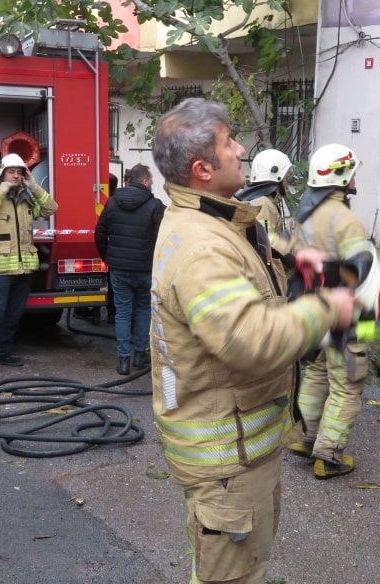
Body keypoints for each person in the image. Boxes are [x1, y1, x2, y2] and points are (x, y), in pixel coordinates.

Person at [149, 98, 356, 584]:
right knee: (231, 577)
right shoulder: (203, 247)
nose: (241, 149)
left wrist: (306, 264)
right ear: (202, 169)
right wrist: (331, 308)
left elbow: (259, 248)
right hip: (227, 462)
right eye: (229, 143)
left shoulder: (214, 219)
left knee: (243, 568)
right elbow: (250, 339)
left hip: (240, 451)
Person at [286, 143, 374, 479]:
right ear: (341, 176)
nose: (354, 178)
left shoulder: (303, 216)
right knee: (347, 383)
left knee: (318, 372)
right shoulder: (346, 219)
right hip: (342, 315)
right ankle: (329, 455)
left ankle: (306, 438)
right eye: (351, 172)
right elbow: (359, 274)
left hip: (313, 310)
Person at [0, 153, 58, 371]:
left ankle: (3, 353)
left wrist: (33, 184)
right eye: (11, 172)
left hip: (23, 270)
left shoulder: (26, 200)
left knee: (13, 316)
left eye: (19, 172)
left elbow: (51, 207)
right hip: (0, 271)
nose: (16, 176)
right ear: (2, 174)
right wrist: (2, 189)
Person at [94, 163, 165, 375]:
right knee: (144, 310)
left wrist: (107, 257)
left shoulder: (112, 203)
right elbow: (163, 239)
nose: (152, 183)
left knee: (122, 312)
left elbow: (99, 233)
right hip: (145, 269)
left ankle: (123, 360)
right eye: (151, 180)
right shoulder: (156, 206)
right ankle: (140, 356)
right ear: (144, 181)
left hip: (119, 268)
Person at [235, 148, 294, 254]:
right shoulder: (263, 203)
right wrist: (290, 233)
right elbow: (268, 246)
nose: (286, 183)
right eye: (285, 178)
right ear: (277, 177)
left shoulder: (262, 200)